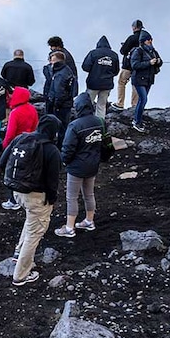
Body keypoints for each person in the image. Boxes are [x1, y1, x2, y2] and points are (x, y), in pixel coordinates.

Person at [1, 115, 62, 287]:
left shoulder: (22, 138)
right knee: (35, 232)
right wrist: (52, 200)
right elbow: (52, 181)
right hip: (36, 196)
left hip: (17, 191)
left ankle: (18, 253)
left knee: (31, 222)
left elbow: (2, 162)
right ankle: (20, 275)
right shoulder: (51, 150)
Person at [54, 93, 103, 238]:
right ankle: (89, 221)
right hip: (93, 165)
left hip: (76, 167)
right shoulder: (100, 121)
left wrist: (64, 161)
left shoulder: (75, 125)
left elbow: (68, 147)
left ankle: (69, 228)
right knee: (89, 194)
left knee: (72, 197)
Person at [0, 86, 39, 210]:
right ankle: (23, 197)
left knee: (13, 172)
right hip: (30, 145)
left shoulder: (15, 113)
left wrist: (5, 146)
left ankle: (13, 200)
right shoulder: (32, 109)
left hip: (16, 146)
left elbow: (10, 134)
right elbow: (35, 127)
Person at [129, 31, 162, 133]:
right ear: (143, 41)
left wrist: (159, 62)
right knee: (143, 99)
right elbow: (134, 65)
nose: (150, 41)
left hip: (148, 79)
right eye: (148, 40)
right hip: (138, 79)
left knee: (142, 100)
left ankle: (138, 119)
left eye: (151, 39)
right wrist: (149, 63)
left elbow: (160, 61)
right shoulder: (138, 51)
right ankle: (137, 121)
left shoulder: (153, 51)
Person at [81, 36, 120, 120]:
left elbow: (85, 67)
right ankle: (100, 124)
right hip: (107, 85)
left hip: (93, 83)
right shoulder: (114, 55)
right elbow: (116, 71)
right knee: (101, 105)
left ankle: (86, 122)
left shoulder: (93, 53)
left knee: (88, 104)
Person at [112, 20, 143, 111]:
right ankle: (135, 105)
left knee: (121, 82)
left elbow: (123, 51)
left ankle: (120, 103)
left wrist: (124, 46)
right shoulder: (145, 39)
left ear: (133, 27)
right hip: (140, 66)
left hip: (128, 65)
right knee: (136, 85)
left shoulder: (132, 38)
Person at [46, 51, 78, 138]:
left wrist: (55, 105)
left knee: (59, 127)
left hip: (60, 106)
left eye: (52, 61)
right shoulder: (67, 70)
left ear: (57, 61)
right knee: (64, 127)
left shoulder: (60, 74)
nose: (50, 63)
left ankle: (58, 146)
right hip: (67, 104)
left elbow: (59, 92)